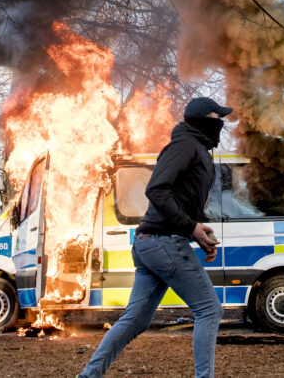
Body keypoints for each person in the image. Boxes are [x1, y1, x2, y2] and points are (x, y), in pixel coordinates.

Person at [78, 96, 228, 378]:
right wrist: (190, 228)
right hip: (164, 243)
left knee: (136, 319)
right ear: (201, 121)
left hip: (153, 243)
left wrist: (197, 231)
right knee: (210, 310)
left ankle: (89, 376)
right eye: (216, 117)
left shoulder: (195, 148)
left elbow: (180, 201)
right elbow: (157, 190)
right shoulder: (184, 145)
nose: (221, 123)